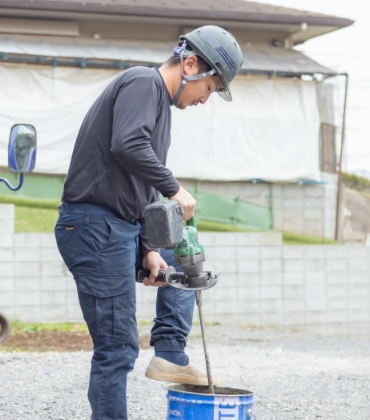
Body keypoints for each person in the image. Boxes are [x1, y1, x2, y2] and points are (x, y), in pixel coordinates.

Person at [54, 25, 244, 420]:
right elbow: (127, 146)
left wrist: (150, 250)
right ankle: (168, 353)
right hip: (95, 226)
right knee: (117, 347)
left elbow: (138, 187)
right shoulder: (143, 82)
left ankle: (171, 351)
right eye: (208, 88)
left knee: (180, 250)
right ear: (190, 64)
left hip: (116, 227)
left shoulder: (159, 108)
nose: (204, 100)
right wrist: (175, 189)